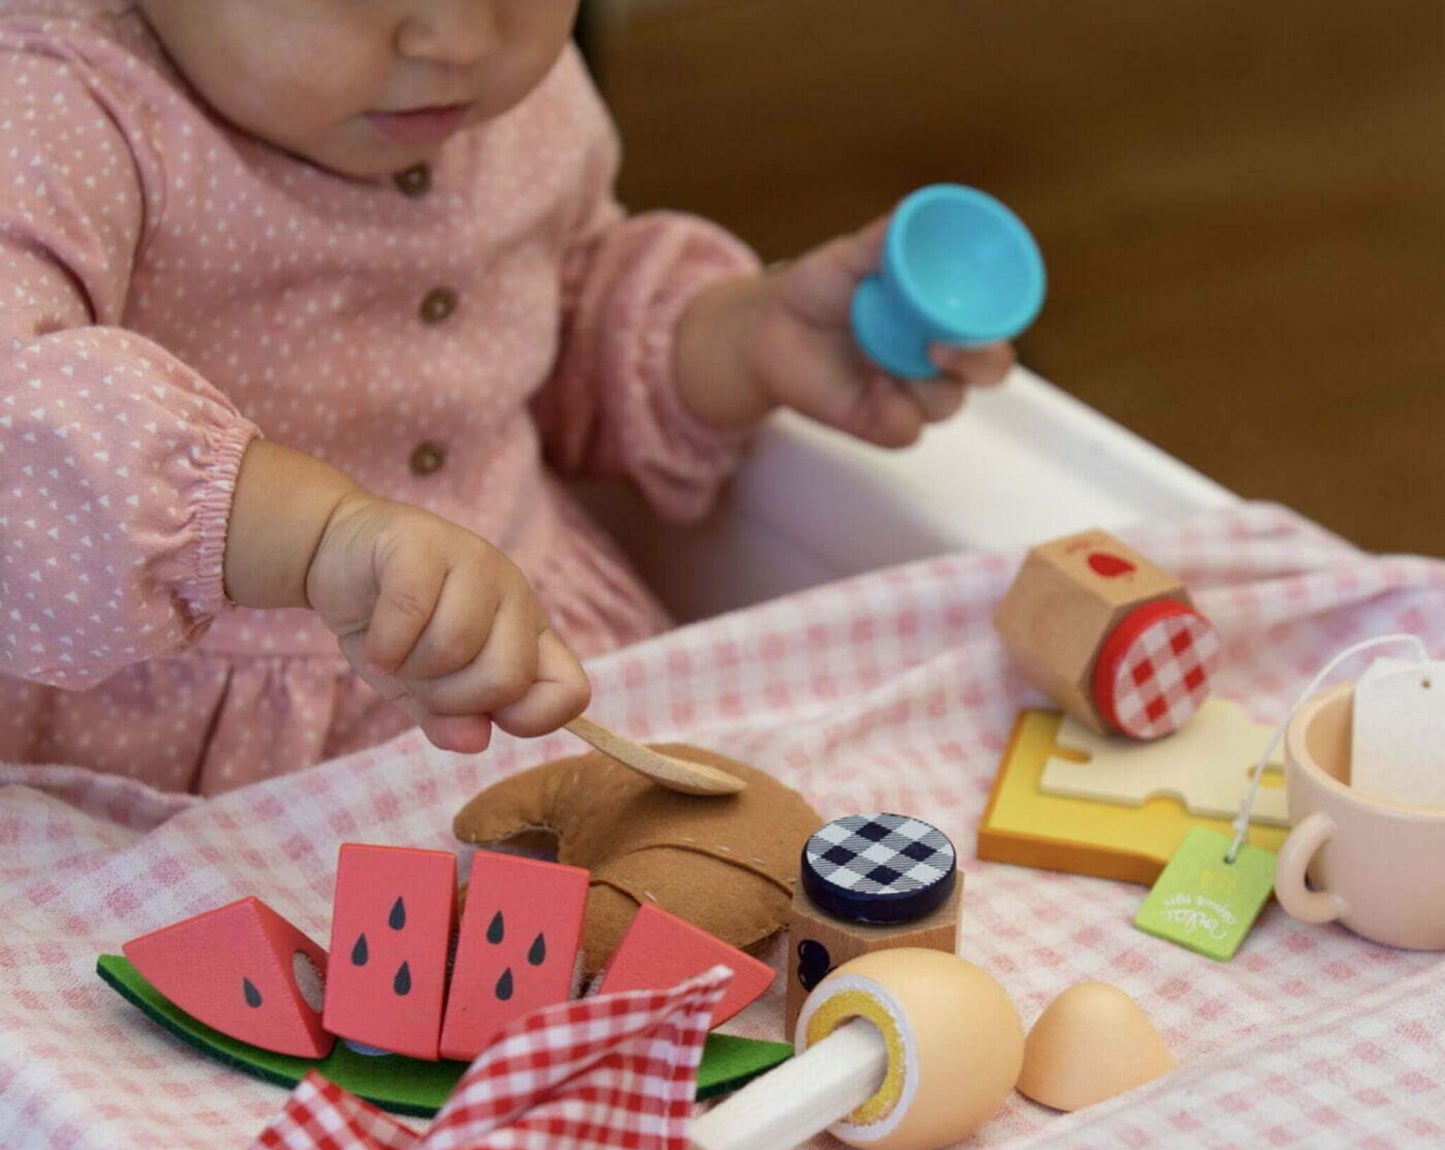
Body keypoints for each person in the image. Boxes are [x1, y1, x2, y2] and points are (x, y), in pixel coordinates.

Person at [0, 0, 1013, 794]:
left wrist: (745, 341)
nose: (459, 36)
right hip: (188, 756)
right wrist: (313, 545)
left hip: (551, 675)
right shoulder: (55, 115)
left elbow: (548, 321)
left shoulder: (511, 101)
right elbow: (18, 428)